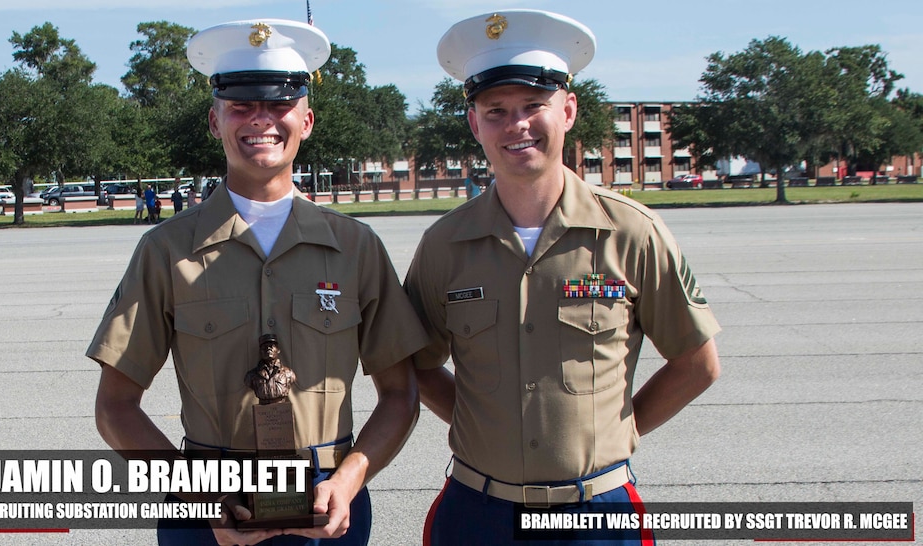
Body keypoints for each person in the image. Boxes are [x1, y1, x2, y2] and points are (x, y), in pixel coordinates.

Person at [88, 17, 427, 546]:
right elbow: (114, 405)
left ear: (307, 120)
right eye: (241, 106)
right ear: (214, 120)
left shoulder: (356, 248)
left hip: (326, 498)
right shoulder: (167, 250)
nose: (260, 120)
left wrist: (351, 475)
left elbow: (400, 392)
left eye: (278, 105)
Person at [403, 10, 722, 545]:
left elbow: (697, 364)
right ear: (474, 124)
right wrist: (483, 424)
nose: (517, 125)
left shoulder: (632, 232)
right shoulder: (444, 245)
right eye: (496, 111)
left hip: (596, 513)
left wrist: (619, 430)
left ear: (568, 110)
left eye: (534, 106)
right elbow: (416, 363)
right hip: (478, 512)